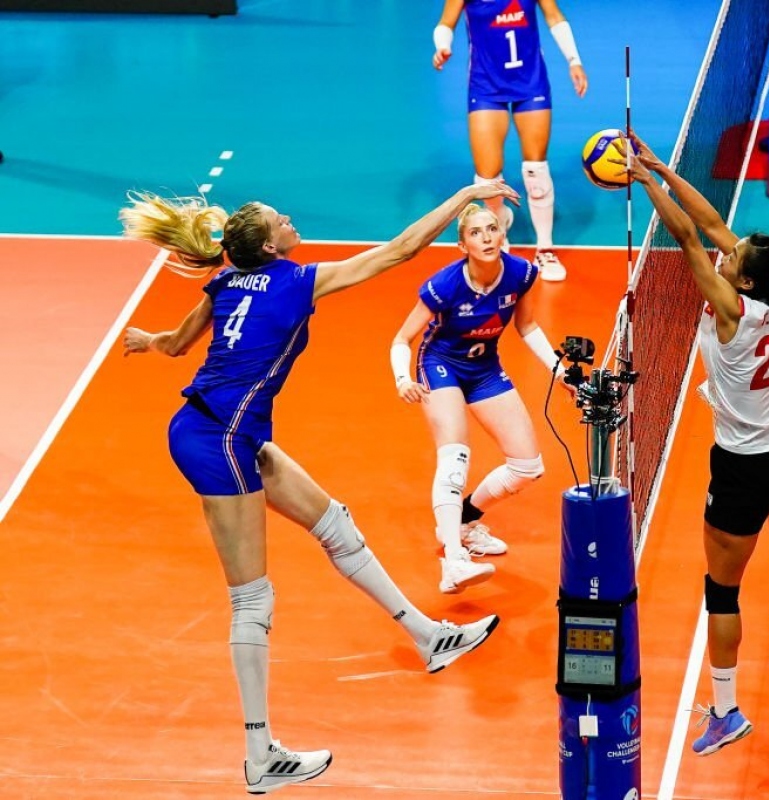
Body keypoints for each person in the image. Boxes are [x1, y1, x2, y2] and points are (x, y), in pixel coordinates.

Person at [119, 182, 514, 794]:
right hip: (219, 441)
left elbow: (174, 346)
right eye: (279, 219)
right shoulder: (294, 281)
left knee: (336, 524)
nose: (288, 218)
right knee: (253, 600)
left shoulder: (225, 282)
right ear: (270, 247)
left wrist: (149, 342)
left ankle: (429, 638)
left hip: (226, 431)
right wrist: (465, 194)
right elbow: (401, 251)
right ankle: (260, 757)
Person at [623, 137, 769, 756]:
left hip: (743, 466)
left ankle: (726, 710)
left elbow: (689, 238)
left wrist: (646, 184)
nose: (726, 250)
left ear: (742, 277)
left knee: (722, 591)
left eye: (733, 256)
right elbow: (712, 225)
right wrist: (662, 167)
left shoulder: (729, 309)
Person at [390, 202, 571, 594]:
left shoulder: (521, 273)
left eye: (492, 229)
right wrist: (403, 378)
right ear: (463, 245)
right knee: (455, 457)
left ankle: (465, 521)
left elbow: (527, 326)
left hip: (485, 368)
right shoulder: (445, 285)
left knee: (528, 466)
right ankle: (454, 561)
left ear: (502, 234)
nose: (486, 238)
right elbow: (402, 339)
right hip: (440, 365)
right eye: (476, 233)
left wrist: (559, 370)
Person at [431, 0, 588, 282]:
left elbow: (554, 17)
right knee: (487, 177)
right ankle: (499, 216)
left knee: (536, 169)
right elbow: (445, 24)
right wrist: (443, 46)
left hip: (531, 82)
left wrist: (573, 60)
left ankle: (545, 248)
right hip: (486, 86)